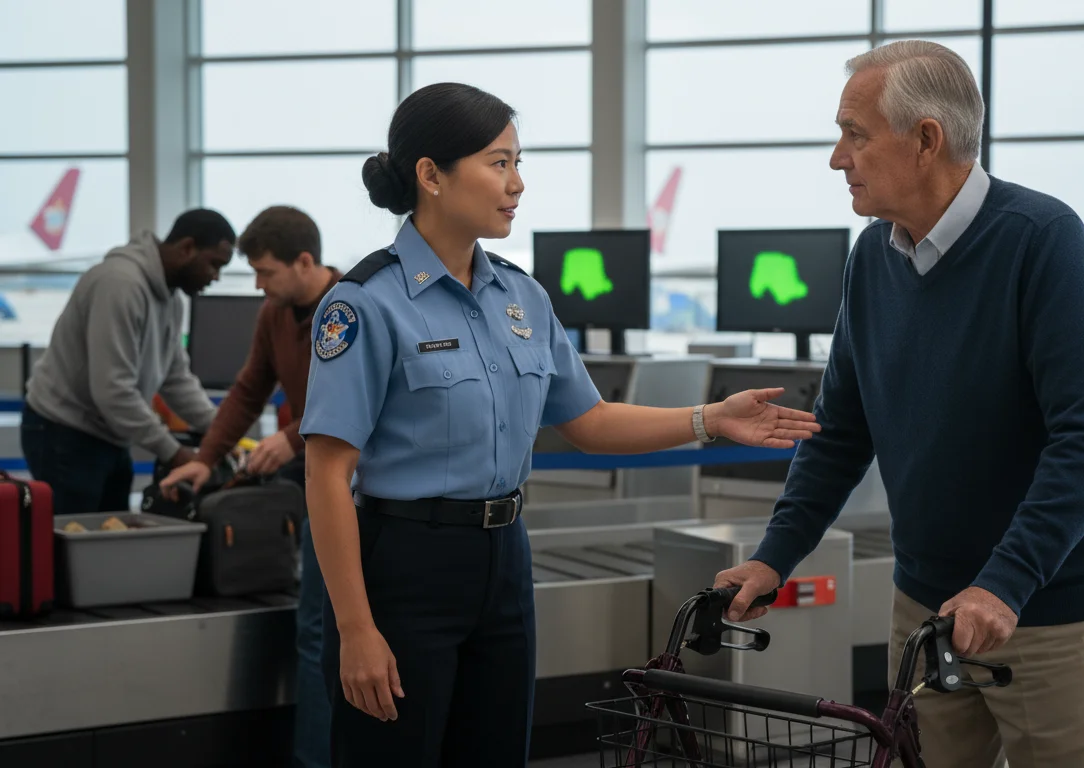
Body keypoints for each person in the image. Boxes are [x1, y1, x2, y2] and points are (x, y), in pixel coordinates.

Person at [299, 82, 822, 767]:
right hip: (405, 565)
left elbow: (591, 421)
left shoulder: (521, 296)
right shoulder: (365, 303)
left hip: (506, 562)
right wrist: (356, 628)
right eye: (499, 163)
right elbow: (327, 473)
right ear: (430, 174)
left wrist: (710, 418)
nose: (517, 184)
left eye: (519, 162)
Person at [713, 40, 1084, 768]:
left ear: (926, 139)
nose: (837, 158)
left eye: (855, 134)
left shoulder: (1042, 241)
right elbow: (840, 430)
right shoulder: (873, 257)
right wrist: (774, 557)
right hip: (924, 608)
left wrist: (1004, 584)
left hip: (1046, 610)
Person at [157, 204, 339, 768]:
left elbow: (372, 403)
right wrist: (204, 461)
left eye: (265, 272)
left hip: (357, 490)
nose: (258, 285)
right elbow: (246, 392)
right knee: (316, 630)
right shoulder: (275, 314)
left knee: (324, 632)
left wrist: (294, 437)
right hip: (312, 477)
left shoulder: (354, 308)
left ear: (304, 261)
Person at [21, 209, 235, 516]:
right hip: (64, 432)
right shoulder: (120, 285)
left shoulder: (171, 299)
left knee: (112, 539)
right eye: (214, 264)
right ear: (187, 248)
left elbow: (175, 378)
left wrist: (223, 432)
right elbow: (113, 391)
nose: (215, 277)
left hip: (108, 432)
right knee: (73, 547)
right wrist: (176, 454)